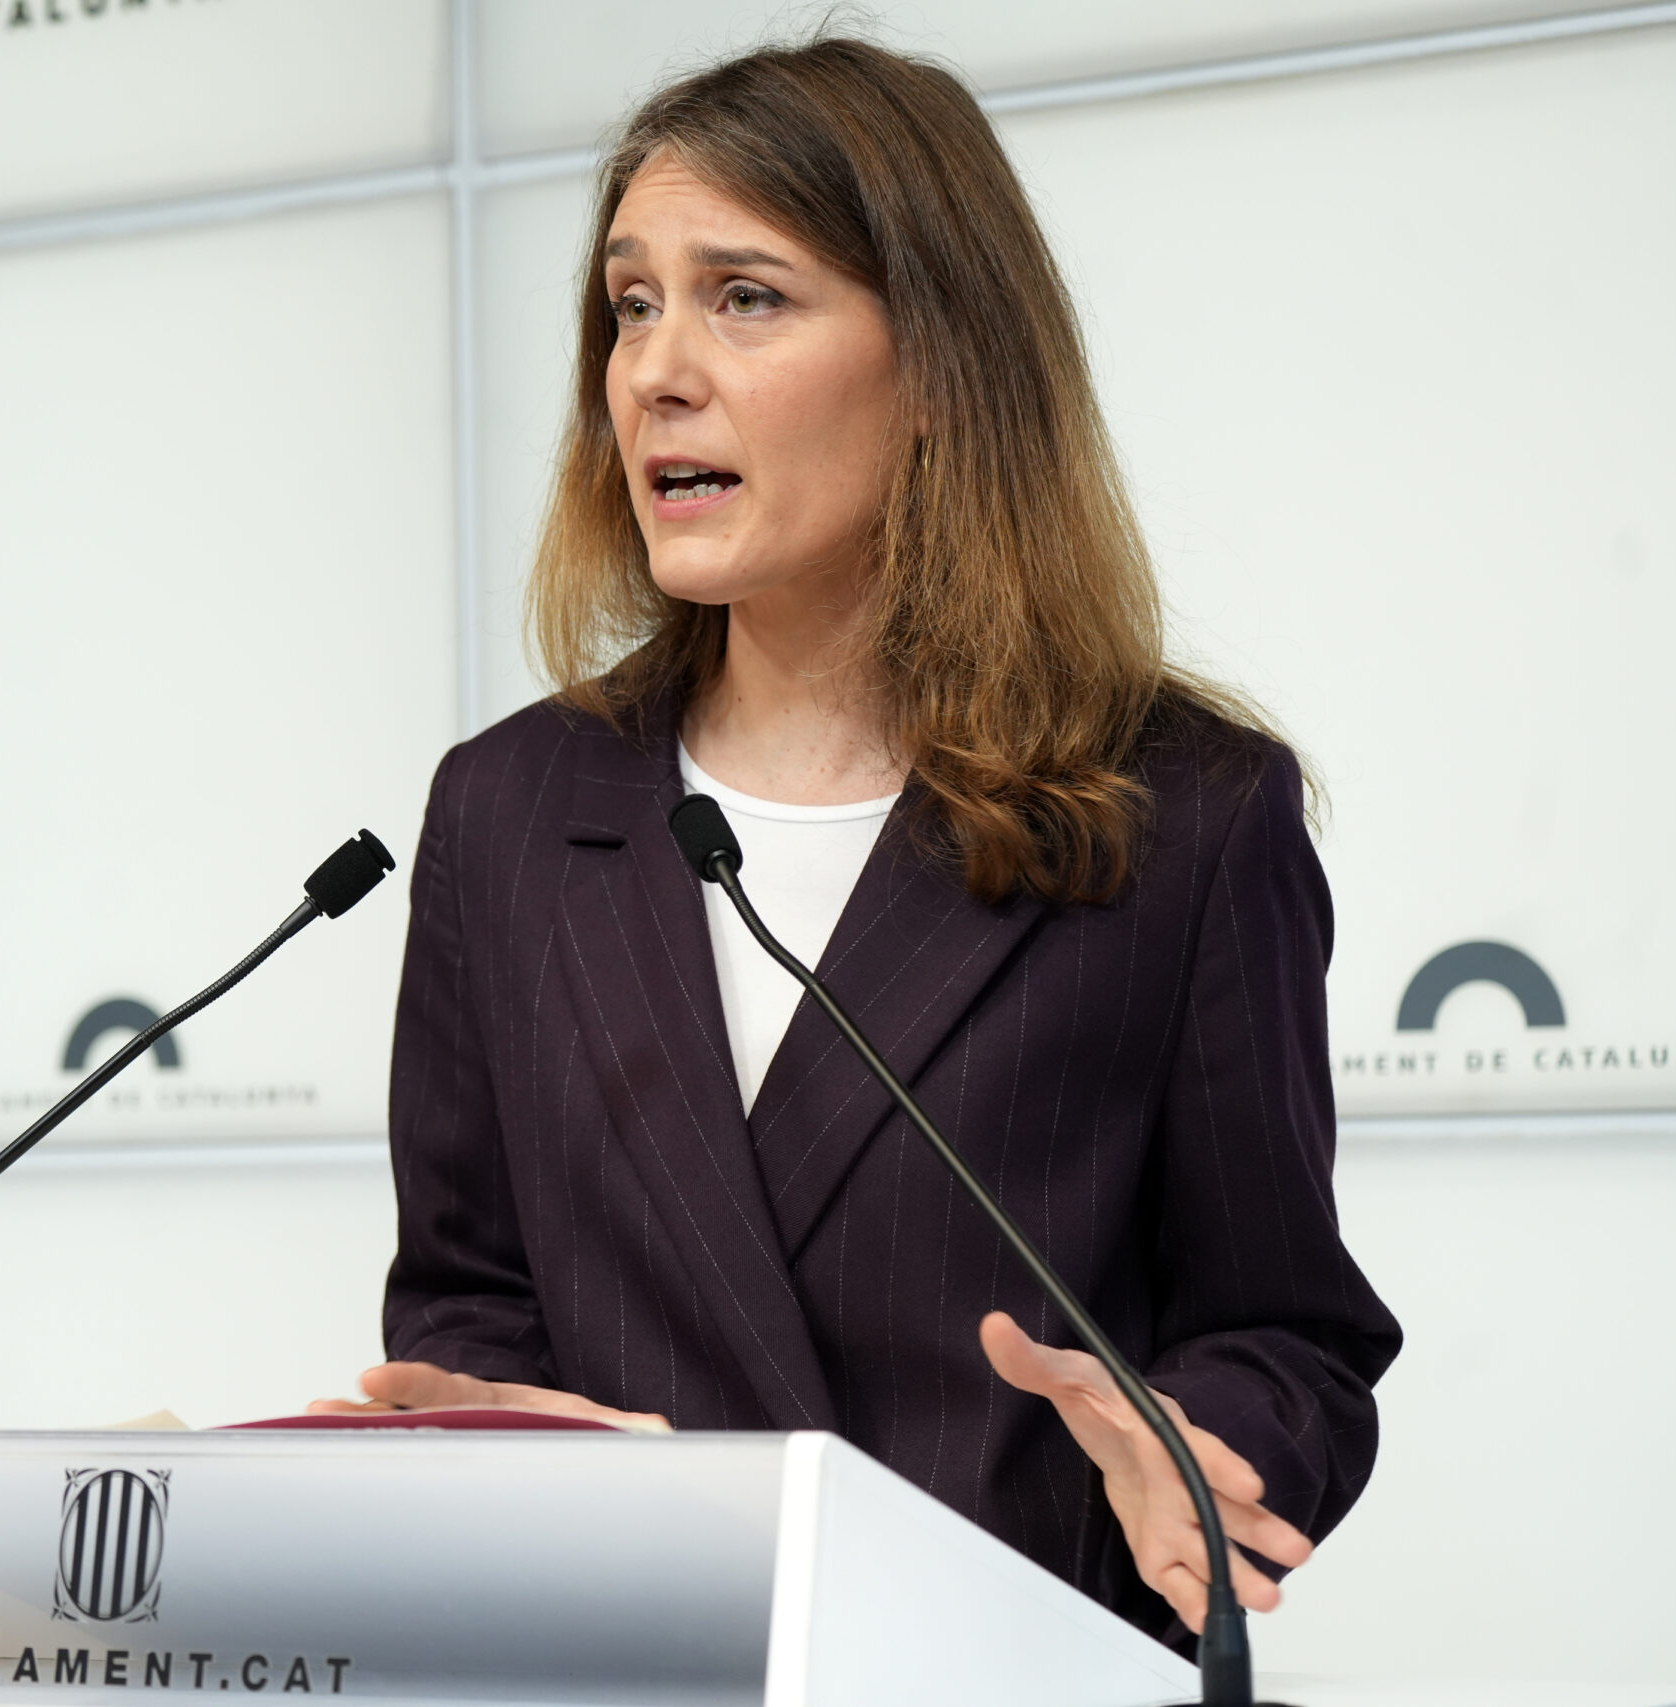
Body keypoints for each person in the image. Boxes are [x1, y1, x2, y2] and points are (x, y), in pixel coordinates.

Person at [308, 32, 1402, 1649]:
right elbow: (469, 1298)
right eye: (631, 303)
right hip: (629, 1659)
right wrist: (506, 1446)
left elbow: (1284, 1331)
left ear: (944, 365)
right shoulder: (509, 807)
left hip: (1008, 1665)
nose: (654, 370)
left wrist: (1201, 1448)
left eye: (745, 297)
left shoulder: (1182, 813)